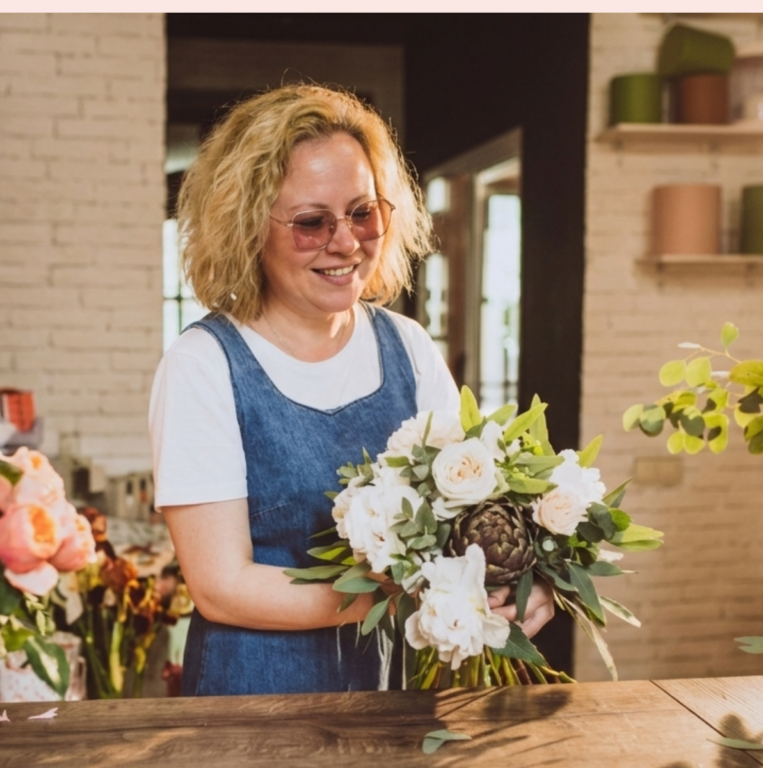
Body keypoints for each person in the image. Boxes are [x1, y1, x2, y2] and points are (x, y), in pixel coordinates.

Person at [149, 83, 554, 697]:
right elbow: (221, 586)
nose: (346, 242)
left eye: (363, 212)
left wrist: (519, 580)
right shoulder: (204, 366)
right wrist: (407, 590)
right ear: (245, 228)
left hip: (395, 694)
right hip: (253, 706)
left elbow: (474, 516)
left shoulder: (408, 346)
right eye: (312, 222)